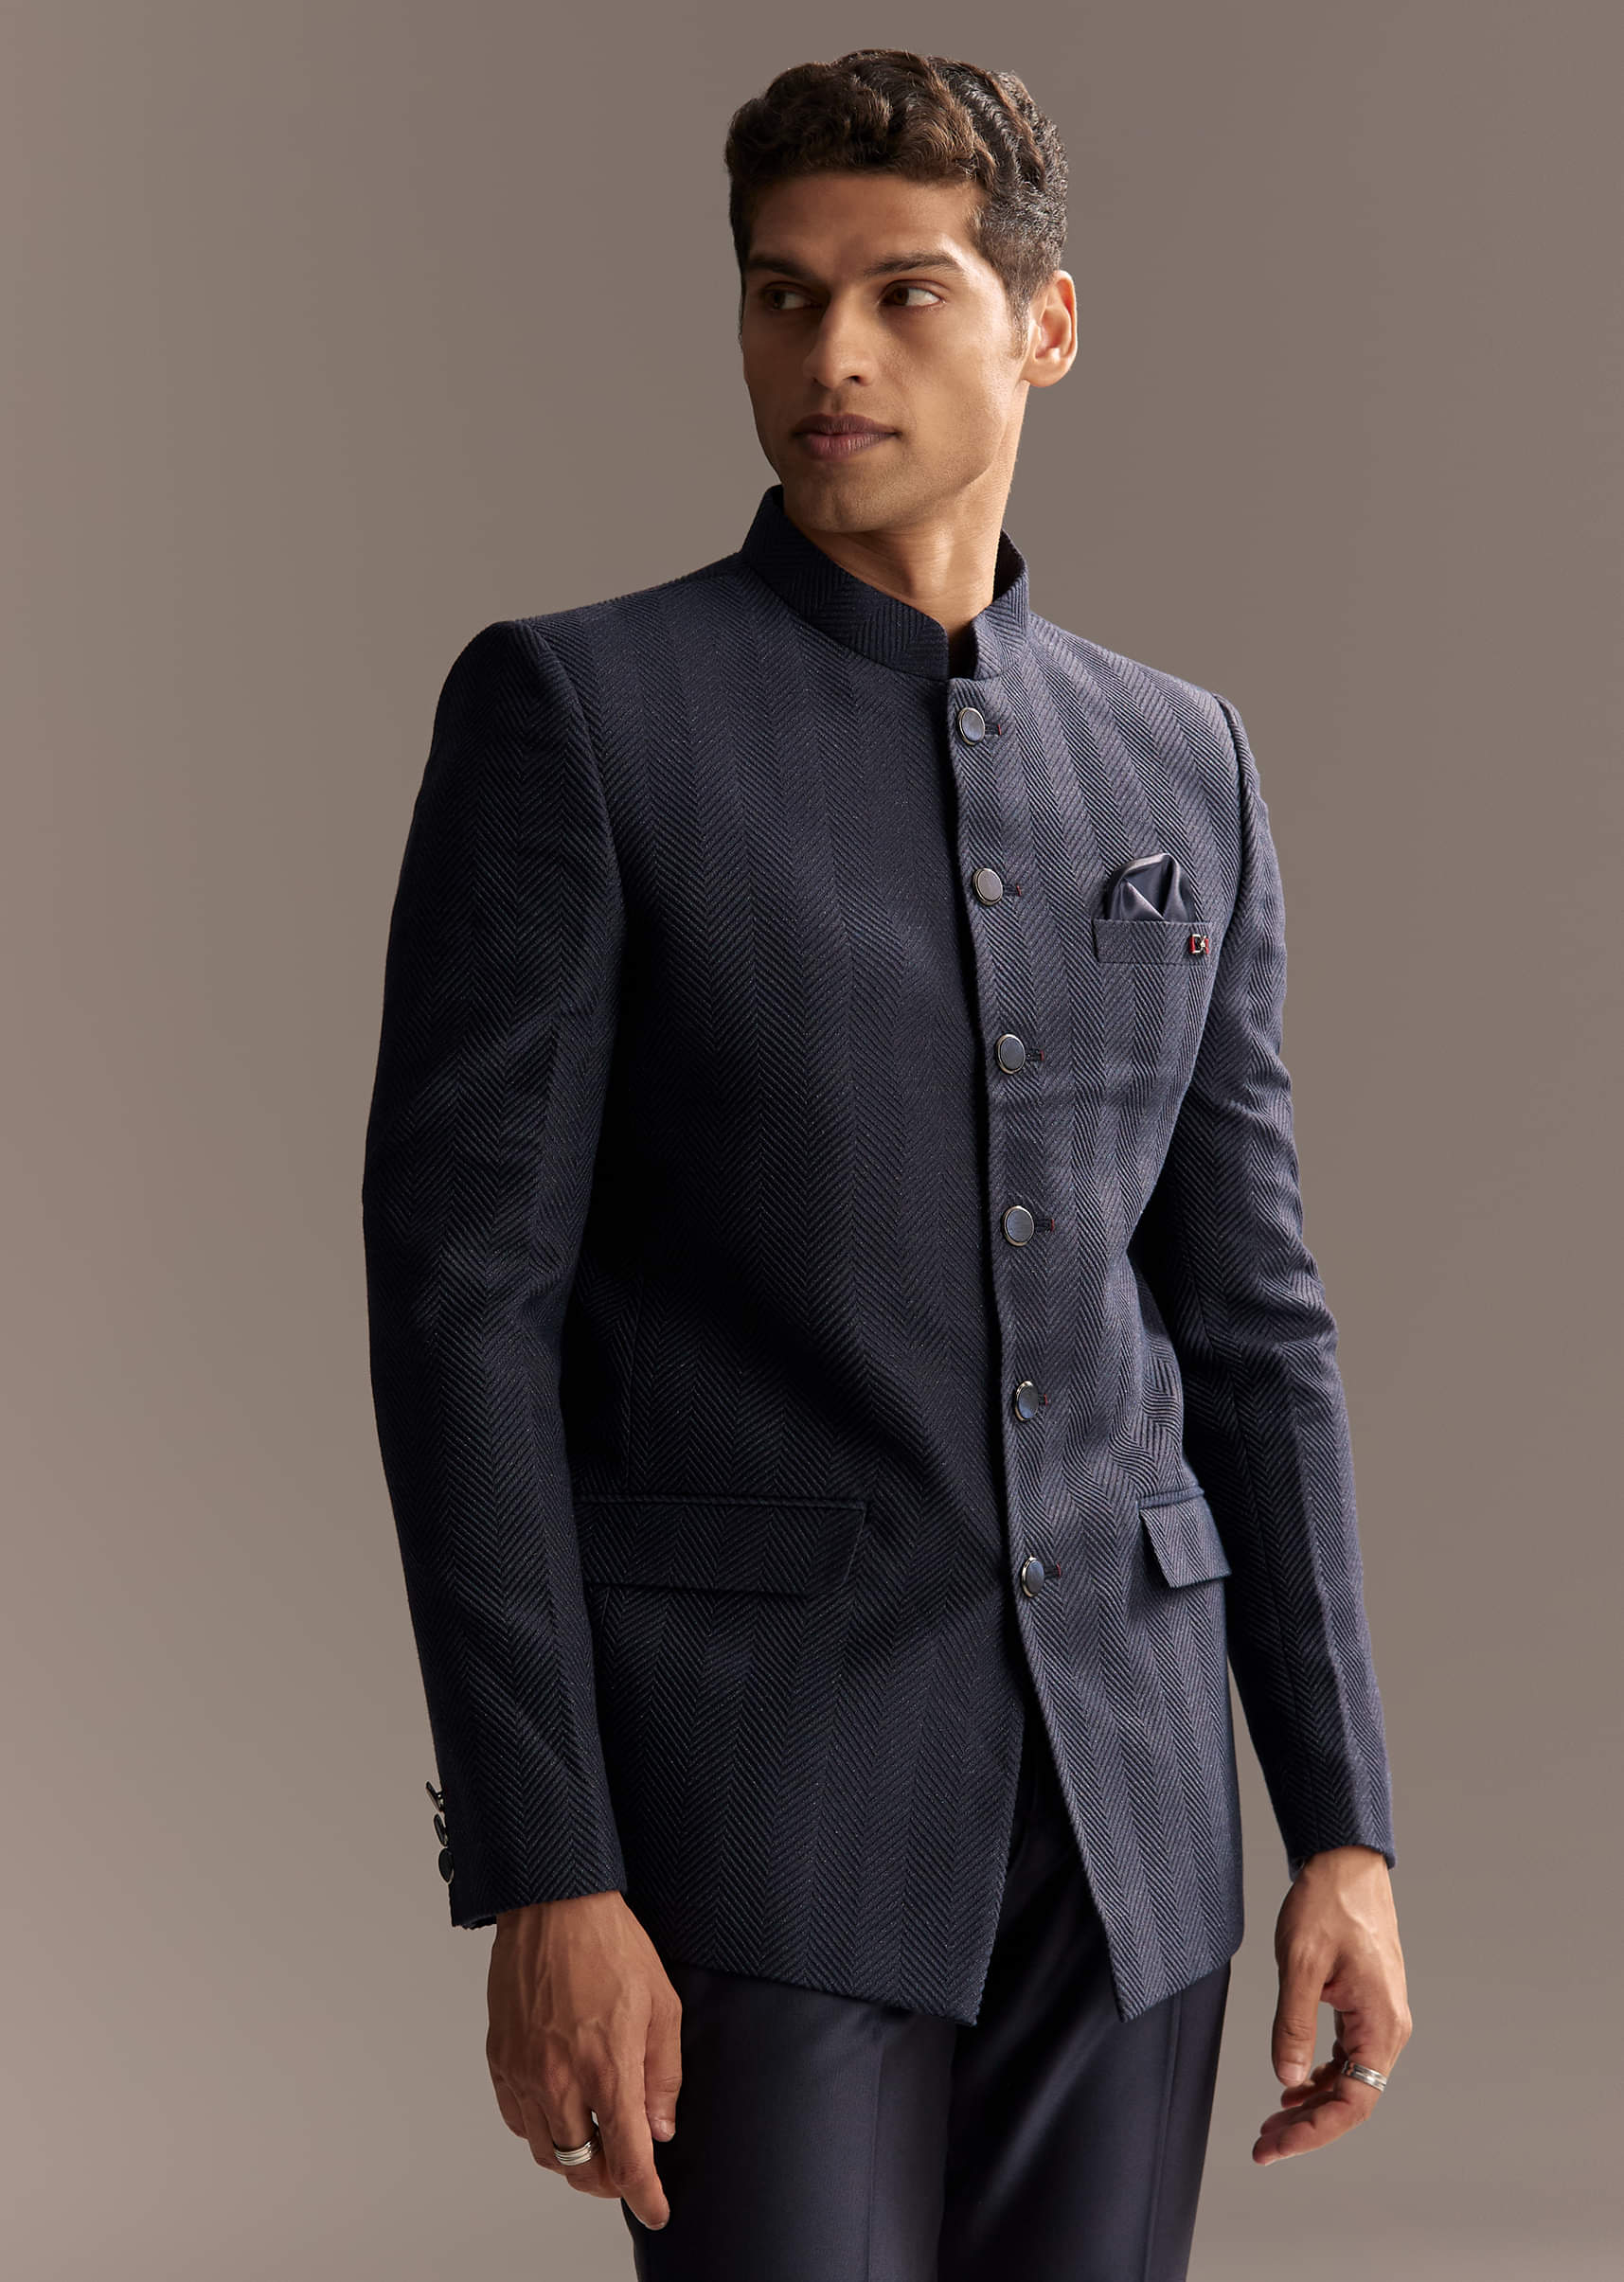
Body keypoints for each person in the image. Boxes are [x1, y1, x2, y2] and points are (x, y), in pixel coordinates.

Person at [361, 46, 1411, 2282]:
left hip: (1132, 1833)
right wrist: (550, 1860)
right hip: (755, 1816)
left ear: (1044, 323)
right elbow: (465, 1321)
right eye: (782, 293)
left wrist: (1344, 1824)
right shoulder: (582, 716)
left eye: (903, 292)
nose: (830, 351)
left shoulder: (1184, 761)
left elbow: (1253, 1324)